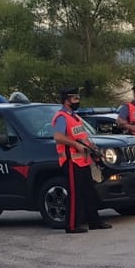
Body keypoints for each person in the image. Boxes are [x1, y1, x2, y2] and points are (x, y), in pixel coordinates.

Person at [50, 86, 111, 234]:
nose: (78, 101)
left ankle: (94, 222)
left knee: (89, 192)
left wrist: (94, 149)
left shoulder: (75, 117)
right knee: (74, 194)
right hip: (71, 161)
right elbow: (58, 137)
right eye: (75, 98)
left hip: (83, 160)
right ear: (66, 100)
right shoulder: (62, 117)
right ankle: (71, 225)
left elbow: (83, 138)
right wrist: (75, 145)